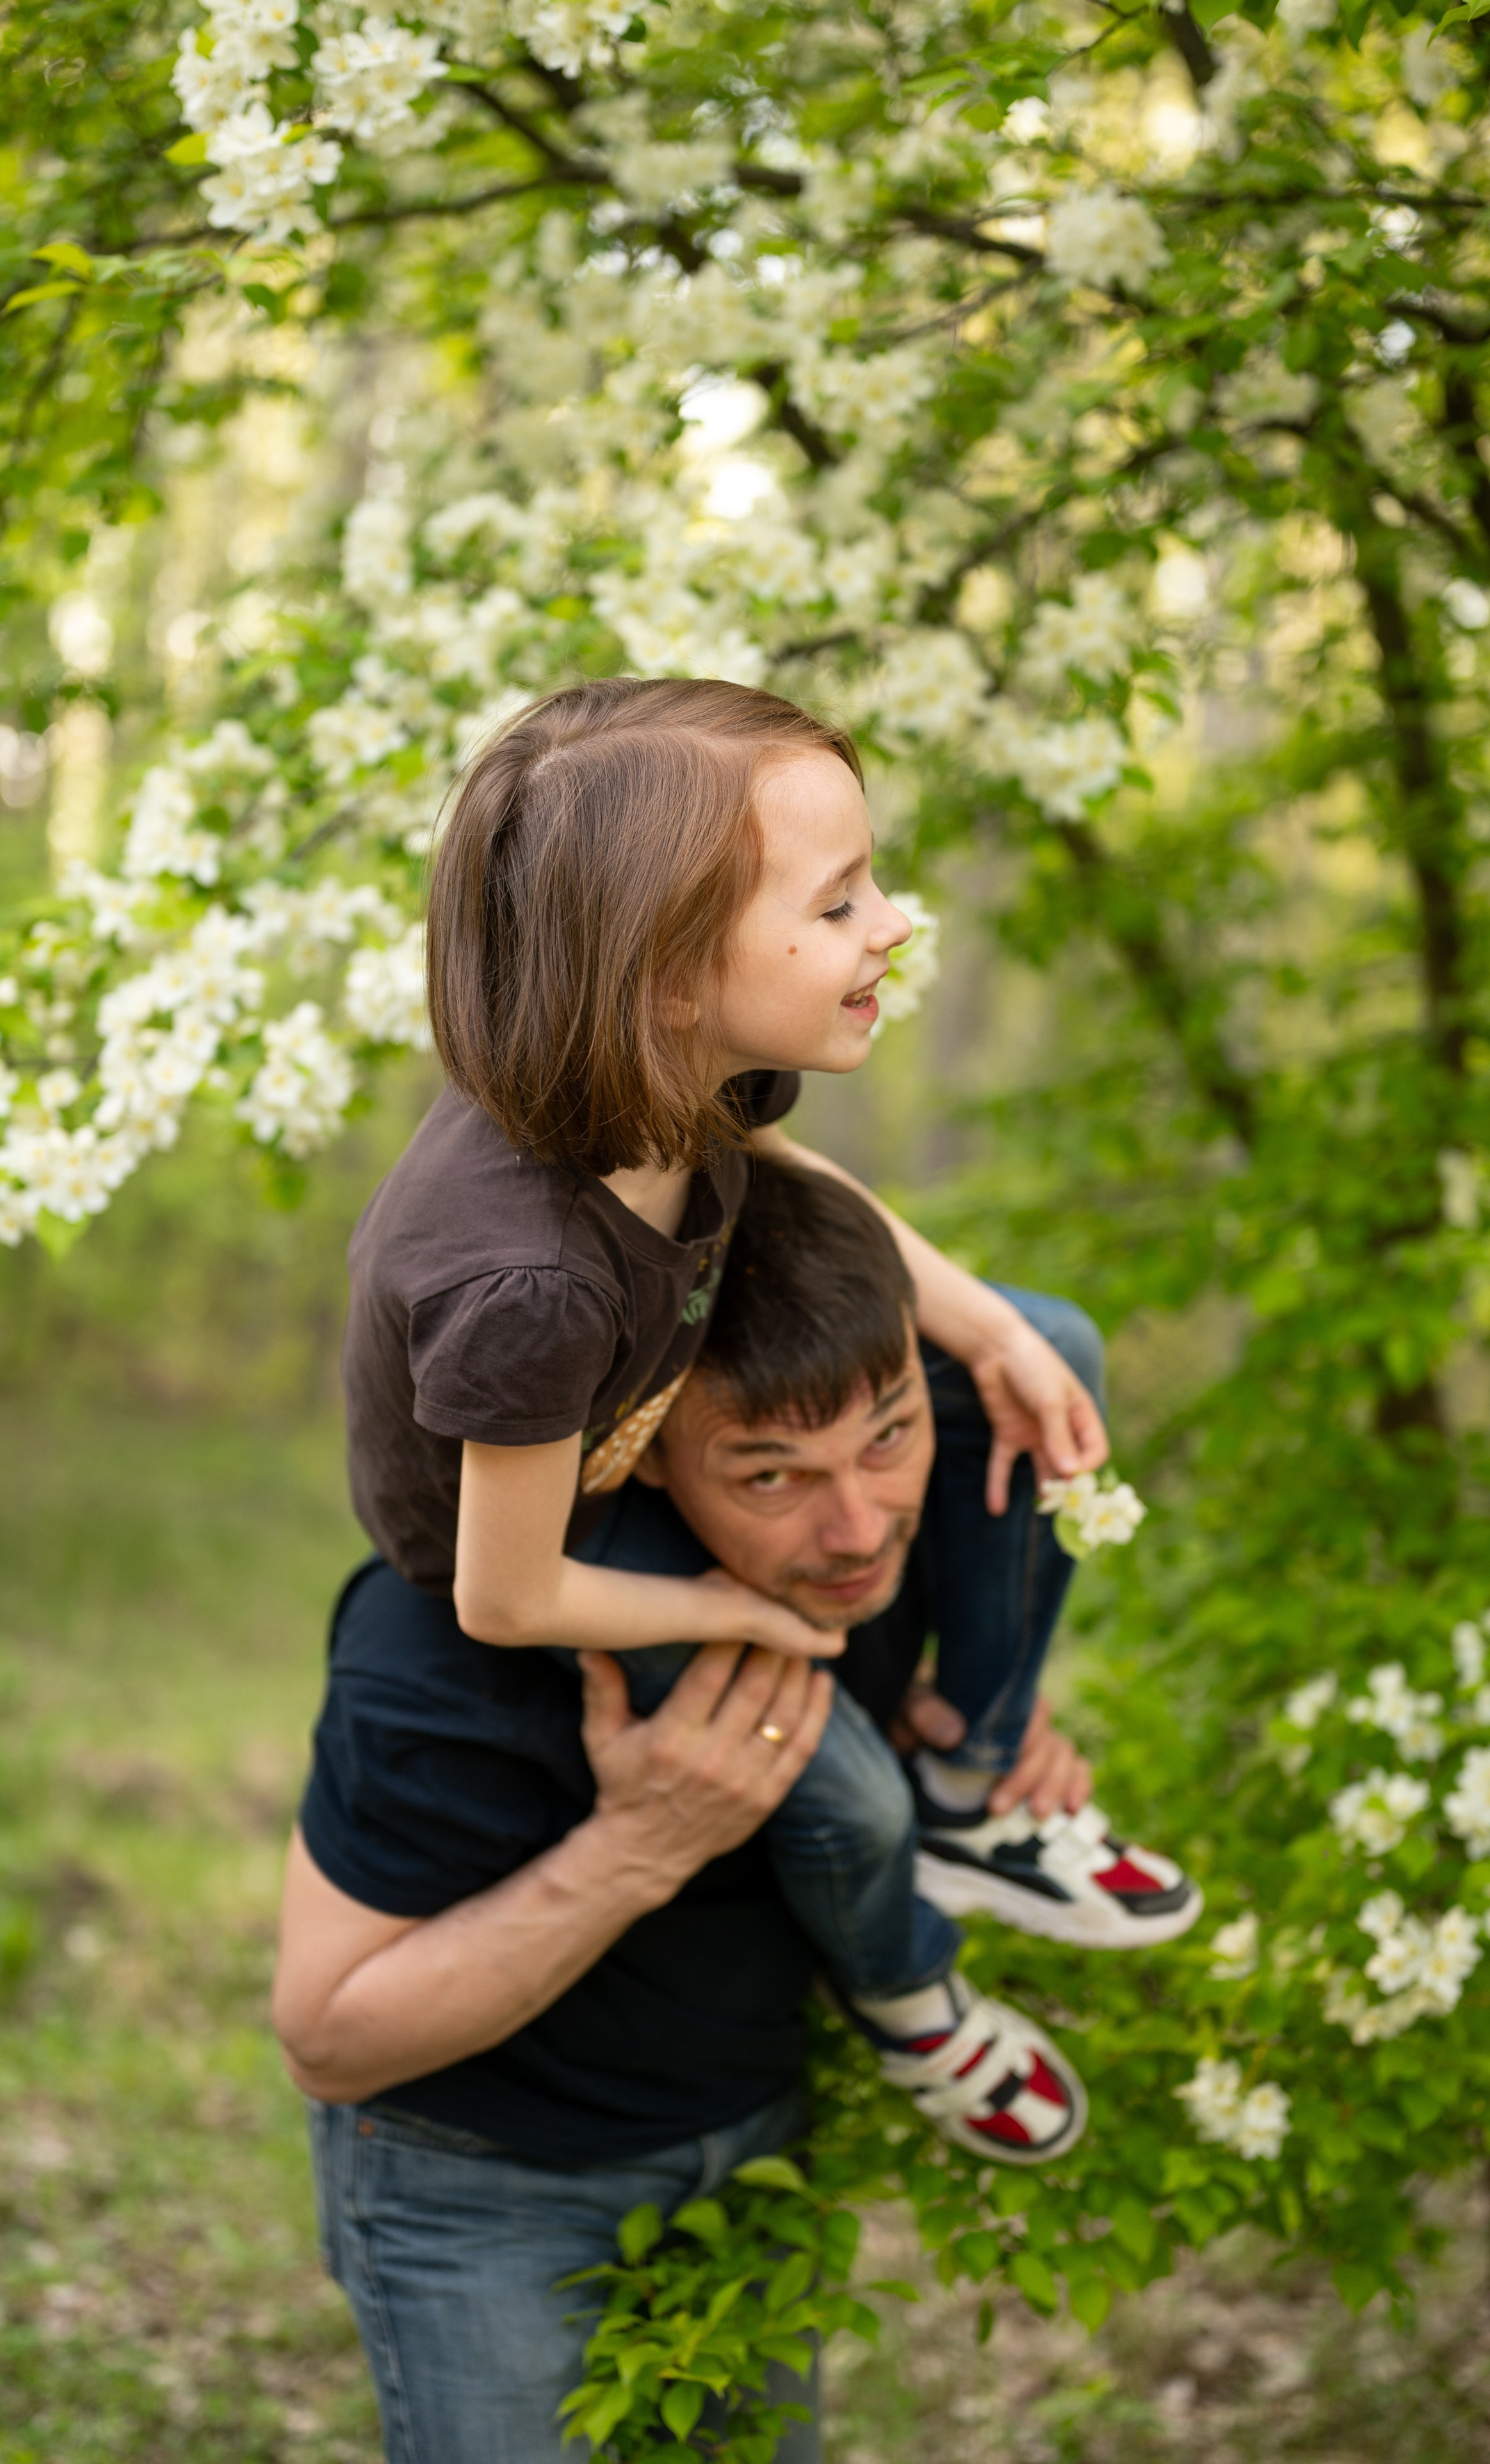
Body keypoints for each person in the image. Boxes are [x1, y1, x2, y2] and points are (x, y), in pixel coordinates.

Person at [274, 1168, 1200, 2464]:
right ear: (644, 1455)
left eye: (888, 1437)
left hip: (756, 2143)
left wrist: (970, 1750)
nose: (857, 1527)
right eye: (770, 1475)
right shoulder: (436, 1647)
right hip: (484, 2187)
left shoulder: (898, 1536)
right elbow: (326, 2040)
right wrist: (638, 1846)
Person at [341, 674, 1117, 2098]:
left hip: (629, 1410)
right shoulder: (528, 1286)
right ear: (669, 978)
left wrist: (987, 1328)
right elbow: (503, 1597)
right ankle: (906, 1989)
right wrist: (742, 1615)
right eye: (837, 903)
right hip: (545, 1531)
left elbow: (770, 1161)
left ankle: (977, 1779)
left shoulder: (670, 1059)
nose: (892, 924)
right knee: (843, 1788)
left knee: (1049, 1340)